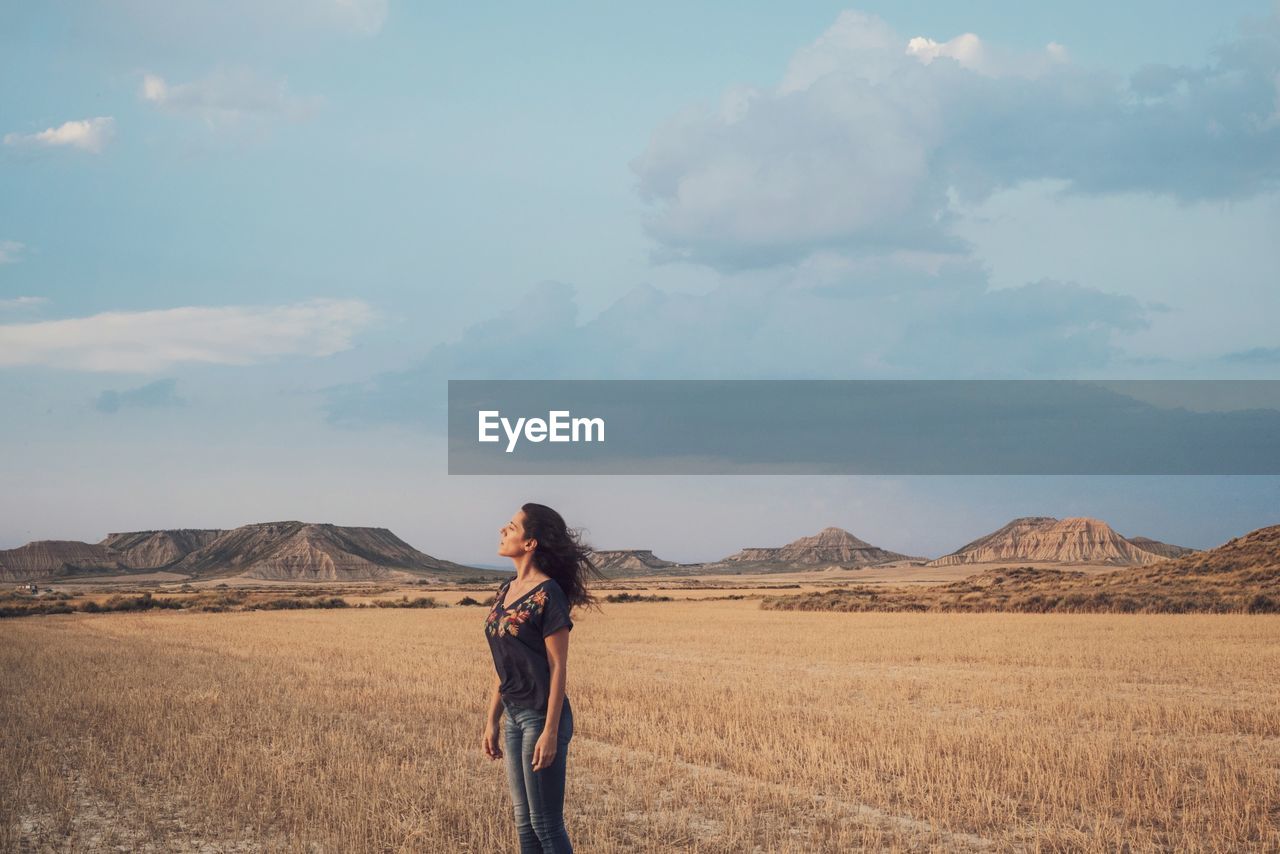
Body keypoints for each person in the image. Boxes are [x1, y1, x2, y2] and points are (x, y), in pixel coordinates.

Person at [482, 503, 603, 854]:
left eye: (510, 527)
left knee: (546, 825)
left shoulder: (548, 594)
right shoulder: (506, 589)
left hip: (541, 716)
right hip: (514, 714)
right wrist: (492, 719)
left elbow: (558, 667)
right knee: (524, 823)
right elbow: (503, 661)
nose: (503, 532)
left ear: (530, 542)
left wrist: (550, 732)